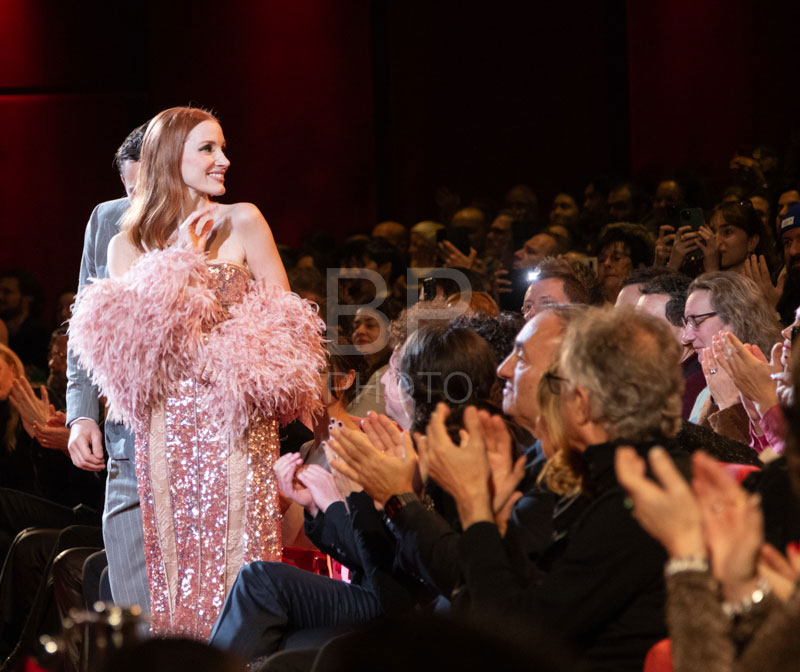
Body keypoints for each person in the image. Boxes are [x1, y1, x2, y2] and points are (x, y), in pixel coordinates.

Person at [68, 106, 325, 639]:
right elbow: (134, 357)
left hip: (238, 428)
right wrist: (180, 264)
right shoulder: (125, 244)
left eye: (222, 147)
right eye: (207, 148)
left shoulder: (244, 220)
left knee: (240, 575)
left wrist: (227, 366)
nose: (223, 159)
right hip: (163, 434)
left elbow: (289, 332)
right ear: (169, 157)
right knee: (172, 594)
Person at [65, 123, 150, 614]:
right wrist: (81, 414)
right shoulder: (107, 218)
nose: (136, 201)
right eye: (129, 188)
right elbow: (85, 323)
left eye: (146, 188)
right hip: (124, 439)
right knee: (131, 607)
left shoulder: (218, 224)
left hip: (194, 439)